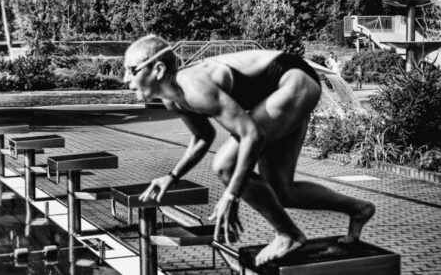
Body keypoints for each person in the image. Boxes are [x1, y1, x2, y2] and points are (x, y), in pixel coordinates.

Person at [123, 35, 375, 266]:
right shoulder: (173, 99)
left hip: (293, 79)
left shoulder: (195, 86)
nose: (125, 79)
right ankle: (358, 209)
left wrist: (231, 195)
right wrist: (172, 176)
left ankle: (288, 234)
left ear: (158, 69)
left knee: (225, 164)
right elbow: (203, 137)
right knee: (282, 191)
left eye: (131, 71)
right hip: (286, 88)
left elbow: (251, 135)